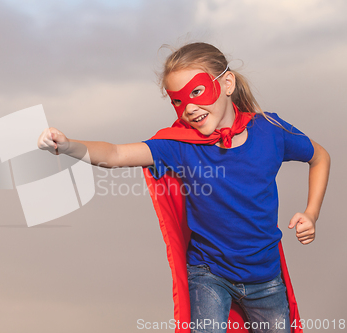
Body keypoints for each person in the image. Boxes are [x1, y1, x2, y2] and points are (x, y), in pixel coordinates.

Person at [37, 42, 330, 333]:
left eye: (197, 91)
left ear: (227, 83)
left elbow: (319, 157)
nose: (189, 107)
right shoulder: (179, 146)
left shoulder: (270, 131)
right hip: (209, 274)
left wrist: (311, 213)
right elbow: (115, 155)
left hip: (265, 278)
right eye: (177, 100)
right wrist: (68, 146)